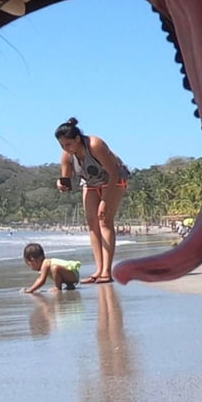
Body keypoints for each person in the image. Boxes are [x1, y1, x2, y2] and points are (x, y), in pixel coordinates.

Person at [54, 117, 129, 283]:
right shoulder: (67, 155)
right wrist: (61, 183)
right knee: (91, 223)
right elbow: (66, 177)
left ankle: (106, 272)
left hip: (113, 179)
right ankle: (98, 269)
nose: (66, 148)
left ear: (77, 139)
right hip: (90, 183)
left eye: (68, 144)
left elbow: (113, 173)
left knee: (104, 221)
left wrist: (104, 202)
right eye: (62, 146)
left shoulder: (95, 145)